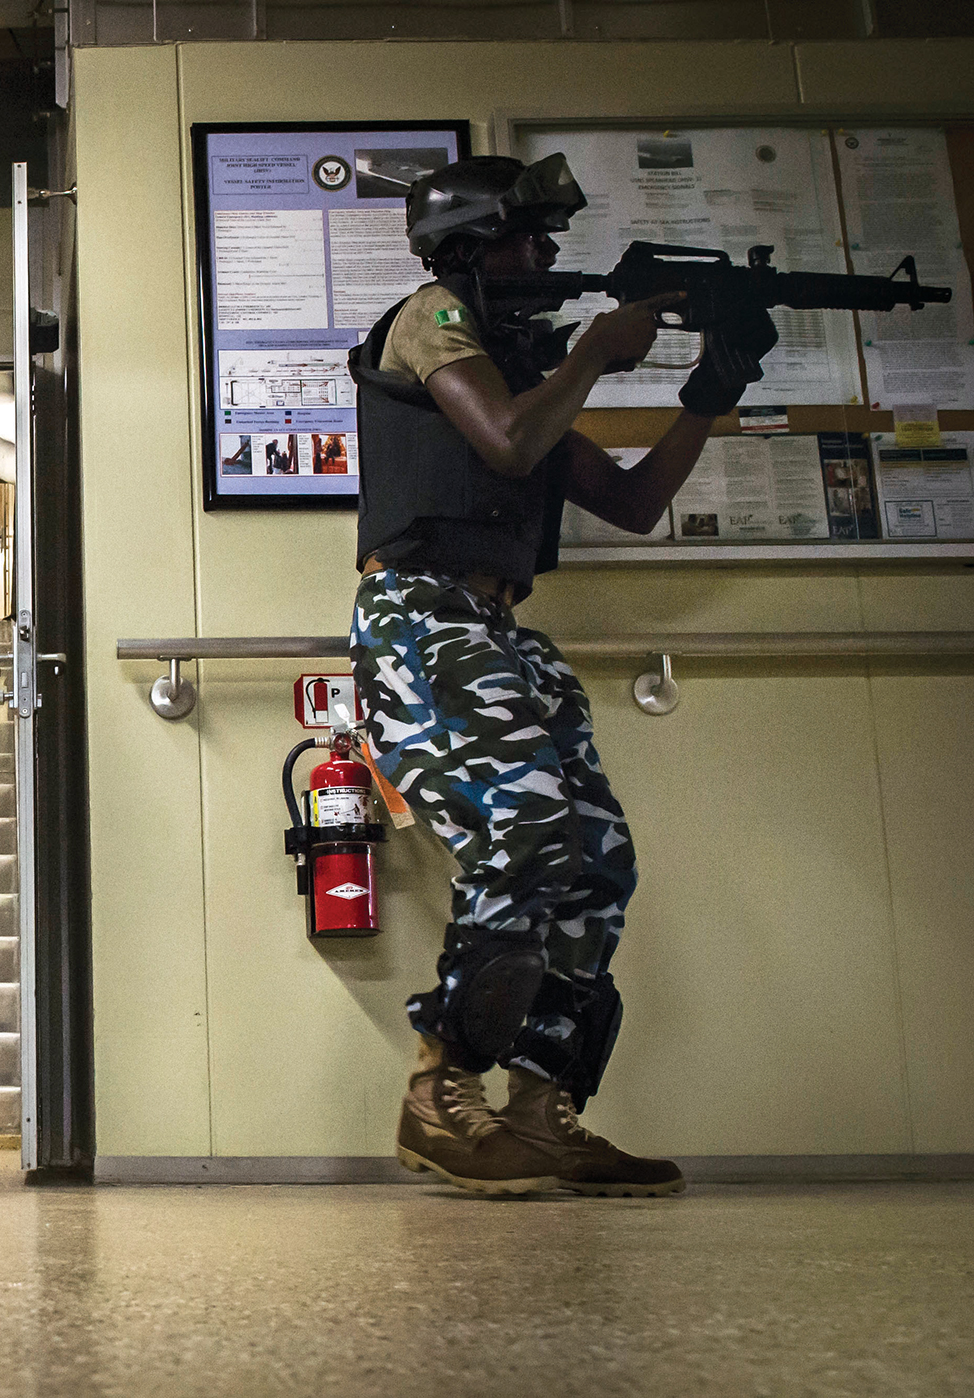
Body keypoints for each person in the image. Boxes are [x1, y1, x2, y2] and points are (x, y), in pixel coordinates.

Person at [346, 154, 777, 1197]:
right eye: (528, 237)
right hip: (423, 615)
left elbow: (630, 504)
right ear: (471, 239)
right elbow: (505, 442)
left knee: (594, 860)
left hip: (501, 629)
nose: (546, 255)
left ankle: (542, 1109)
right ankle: (439, 1089)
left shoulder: (515, 363)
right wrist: (591, 351)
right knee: (525, 833)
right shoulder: (432, 318)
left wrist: (710, 390)